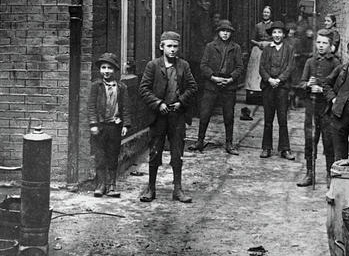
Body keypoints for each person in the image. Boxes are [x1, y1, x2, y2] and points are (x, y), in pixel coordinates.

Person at [138, 31, 198, 203]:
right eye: (169, 46)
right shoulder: (153, 66)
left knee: (177, 152)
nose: (172, 50)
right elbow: (144, 89)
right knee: (155, 152)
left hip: (177, 115)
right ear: (161, 47)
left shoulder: (183, 66)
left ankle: (178, 189)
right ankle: (151, 188)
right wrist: (158, 104)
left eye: (175, 46)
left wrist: (181, 102)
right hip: (159, 117)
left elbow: (192, 87)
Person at [192, 19, 244, 155]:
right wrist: (213, 78)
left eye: (228, 32)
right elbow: (203, 65)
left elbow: (239, 67)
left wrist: (231, 78)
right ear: (218, 32)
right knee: (205, 113)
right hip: (212, 84)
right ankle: (200, 141)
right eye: (223, 31)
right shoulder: (210, 46)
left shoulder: (236, 48)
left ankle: (229, 143)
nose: (225, 34)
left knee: (229, 115)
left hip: (229, 85)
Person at [296, 29, 340, 187]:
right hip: (311, 108)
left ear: (330, 46)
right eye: (319, 42)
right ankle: (310, 173)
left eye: (325, 43)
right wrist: (308, 85)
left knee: (329, 141)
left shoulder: (335, 63)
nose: (321, 46)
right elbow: (300, 83)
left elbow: (339, 88)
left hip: (327, 109)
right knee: (310, 141)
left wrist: (322, 90)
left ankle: (330, 173)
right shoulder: (310, 62)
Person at [87, 52, 131, 198]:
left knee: (113, 155)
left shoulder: (121, 87)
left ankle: (112, 185)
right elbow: (91, 106)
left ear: (115, 70)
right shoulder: (96, 86)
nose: (106, 71)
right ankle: (100, 184)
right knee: (100, 156)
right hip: (100, 127)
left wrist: (126, 124)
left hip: (114, 127)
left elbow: (126, 107)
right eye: (103, 67)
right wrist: (93, 124)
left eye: (110, 68)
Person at [259, 20, 295, 160]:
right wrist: (269, 79)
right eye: (274, 32)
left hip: (282, 88)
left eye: (280, 32)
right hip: (268, 87)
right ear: (271, 34)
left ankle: (284, 149)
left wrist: (279, 80)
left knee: (282, 118)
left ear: (284, 34)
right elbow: (262, 67)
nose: (277, 35)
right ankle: (266, 147)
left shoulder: (289, 49)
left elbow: (290, 67)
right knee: (268, 118)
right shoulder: (267, 49)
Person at [187, 0, 214, 122]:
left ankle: (194, 110)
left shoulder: (195, 14)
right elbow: (206, 35)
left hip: (194, 54)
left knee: (194, 82)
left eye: (208, 1)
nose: (208, 3)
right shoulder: (203, 15)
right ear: (199, 2)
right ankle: (198, 110)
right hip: (200, 54)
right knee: (200, 83)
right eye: (205, 1)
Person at [244, 5, 273, 105]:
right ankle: (254, 93)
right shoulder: (257, 26)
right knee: (255, 72)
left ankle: (266, 95)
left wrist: (267, 44)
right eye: (264, 12)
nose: (265, 14)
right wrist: (258, 43)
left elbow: (276, 39)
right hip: (258, 50)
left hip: (269, 49)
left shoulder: (273, 26)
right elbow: (251, 39)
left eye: (267, 12)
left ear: (270, 14)